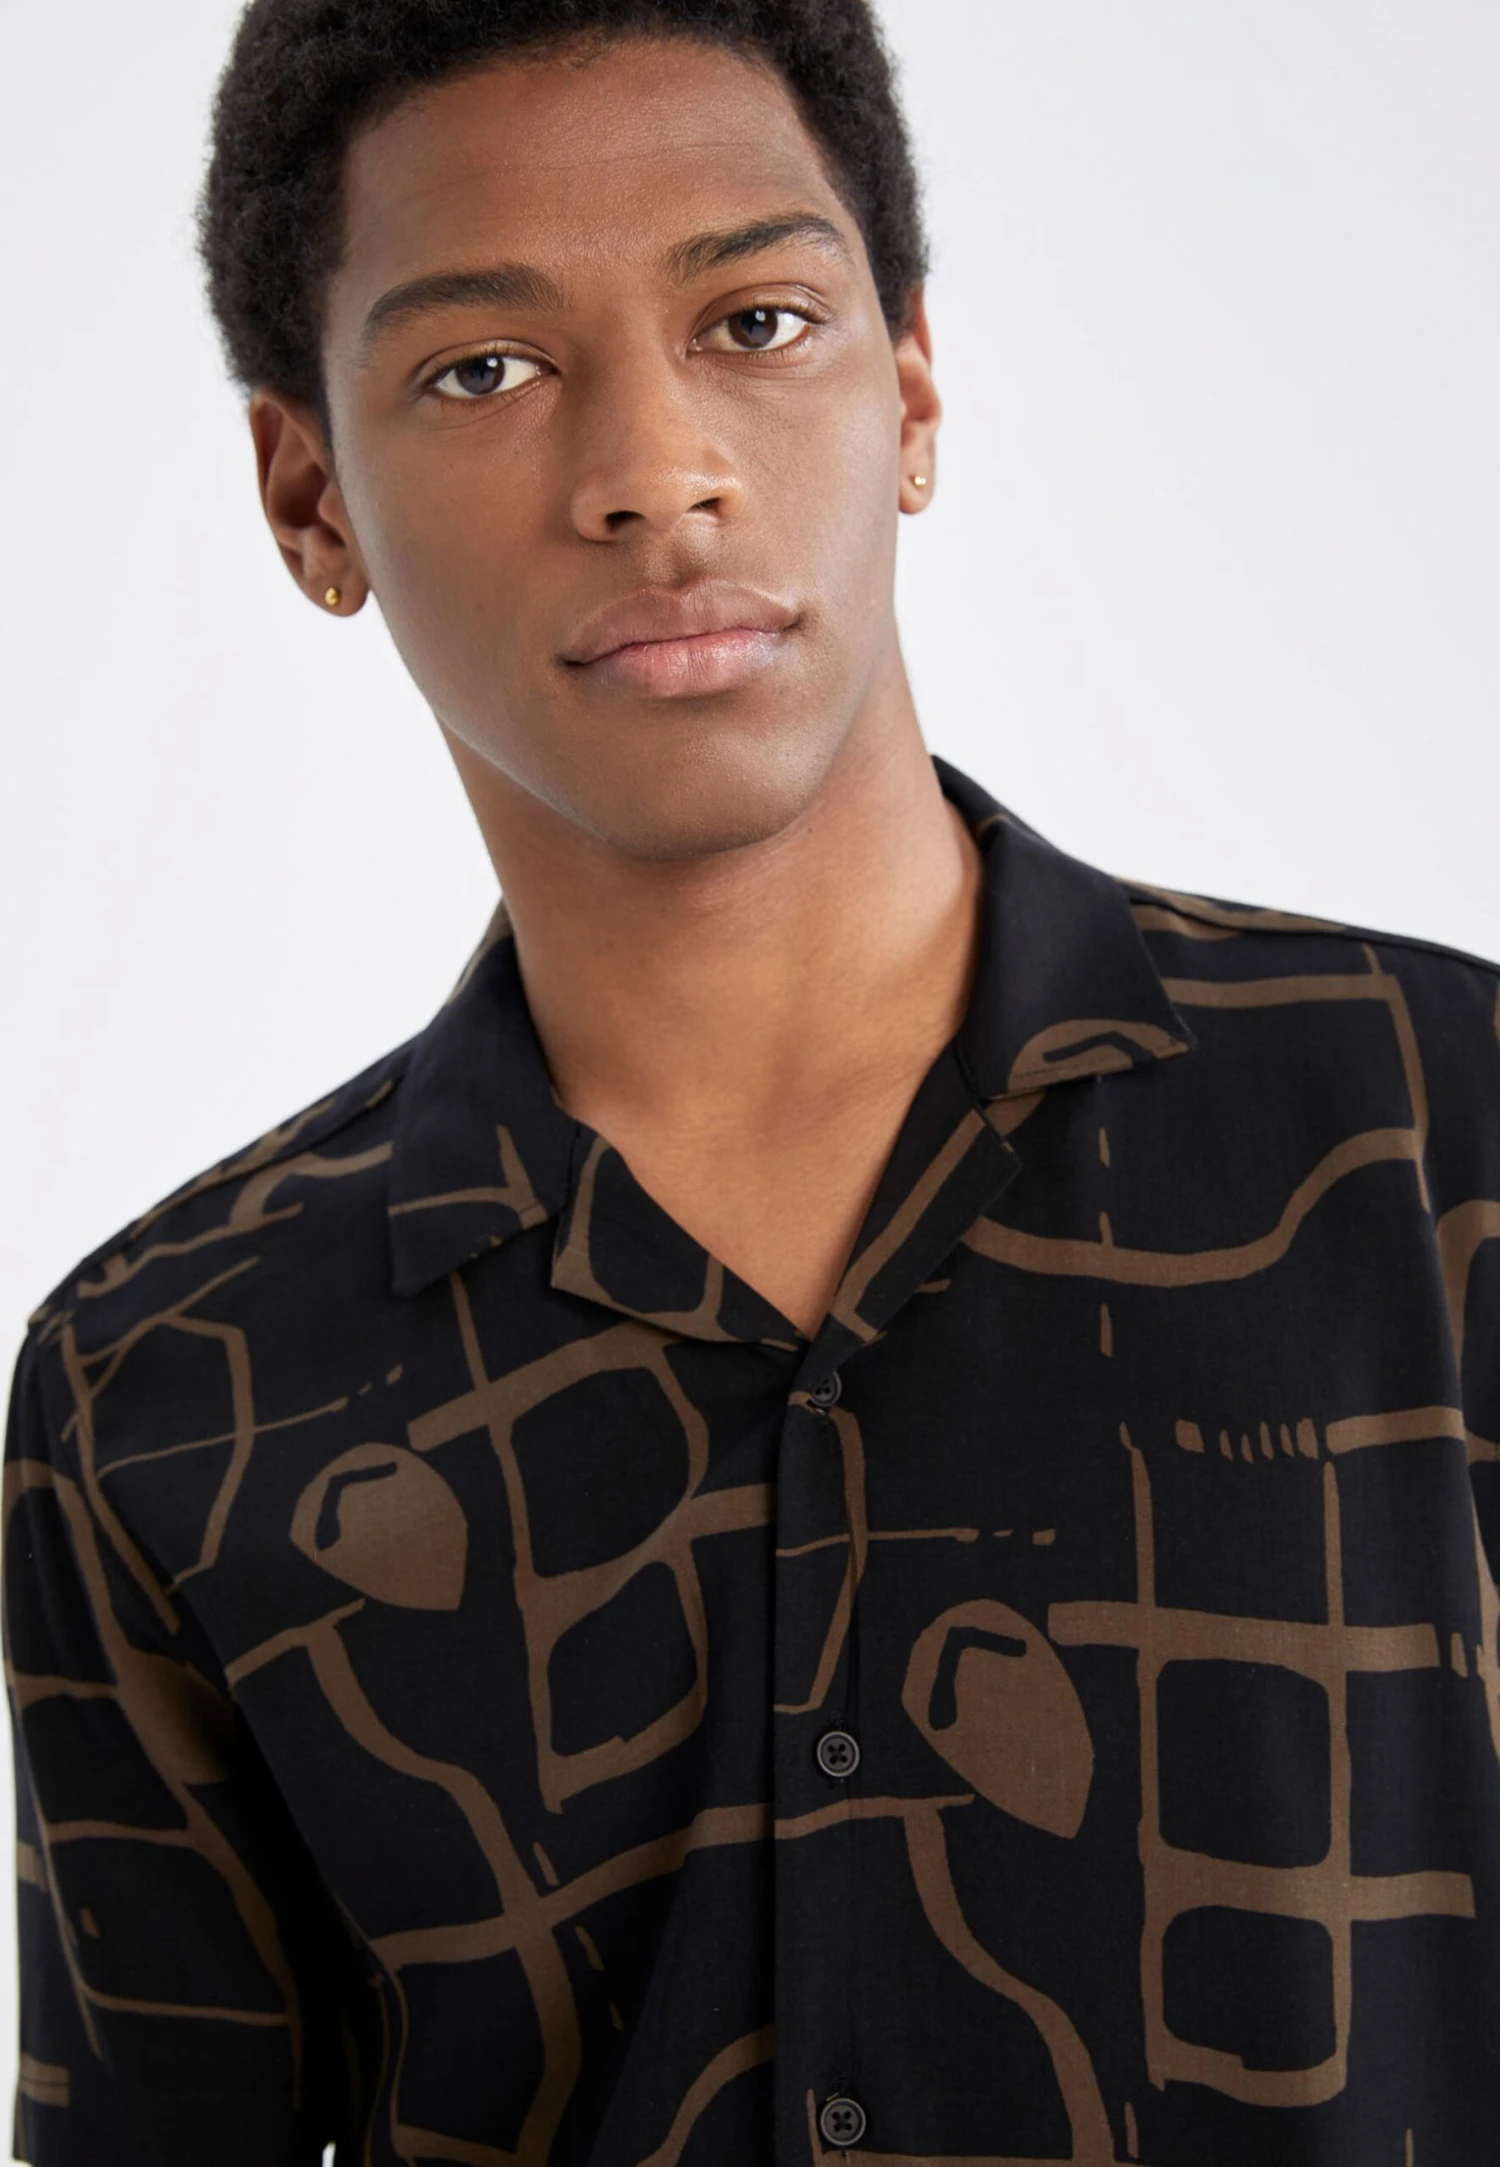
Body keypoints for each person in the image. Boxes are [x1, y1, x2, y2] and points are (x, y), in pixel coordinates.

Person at [5, 0, 1498, 2160]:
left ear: (911, 387)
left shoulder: (1436, 1138)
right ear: (309, 495)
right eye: (483, 369)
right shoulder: (166, 1388)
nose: (654, 468)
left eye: (758, 321)